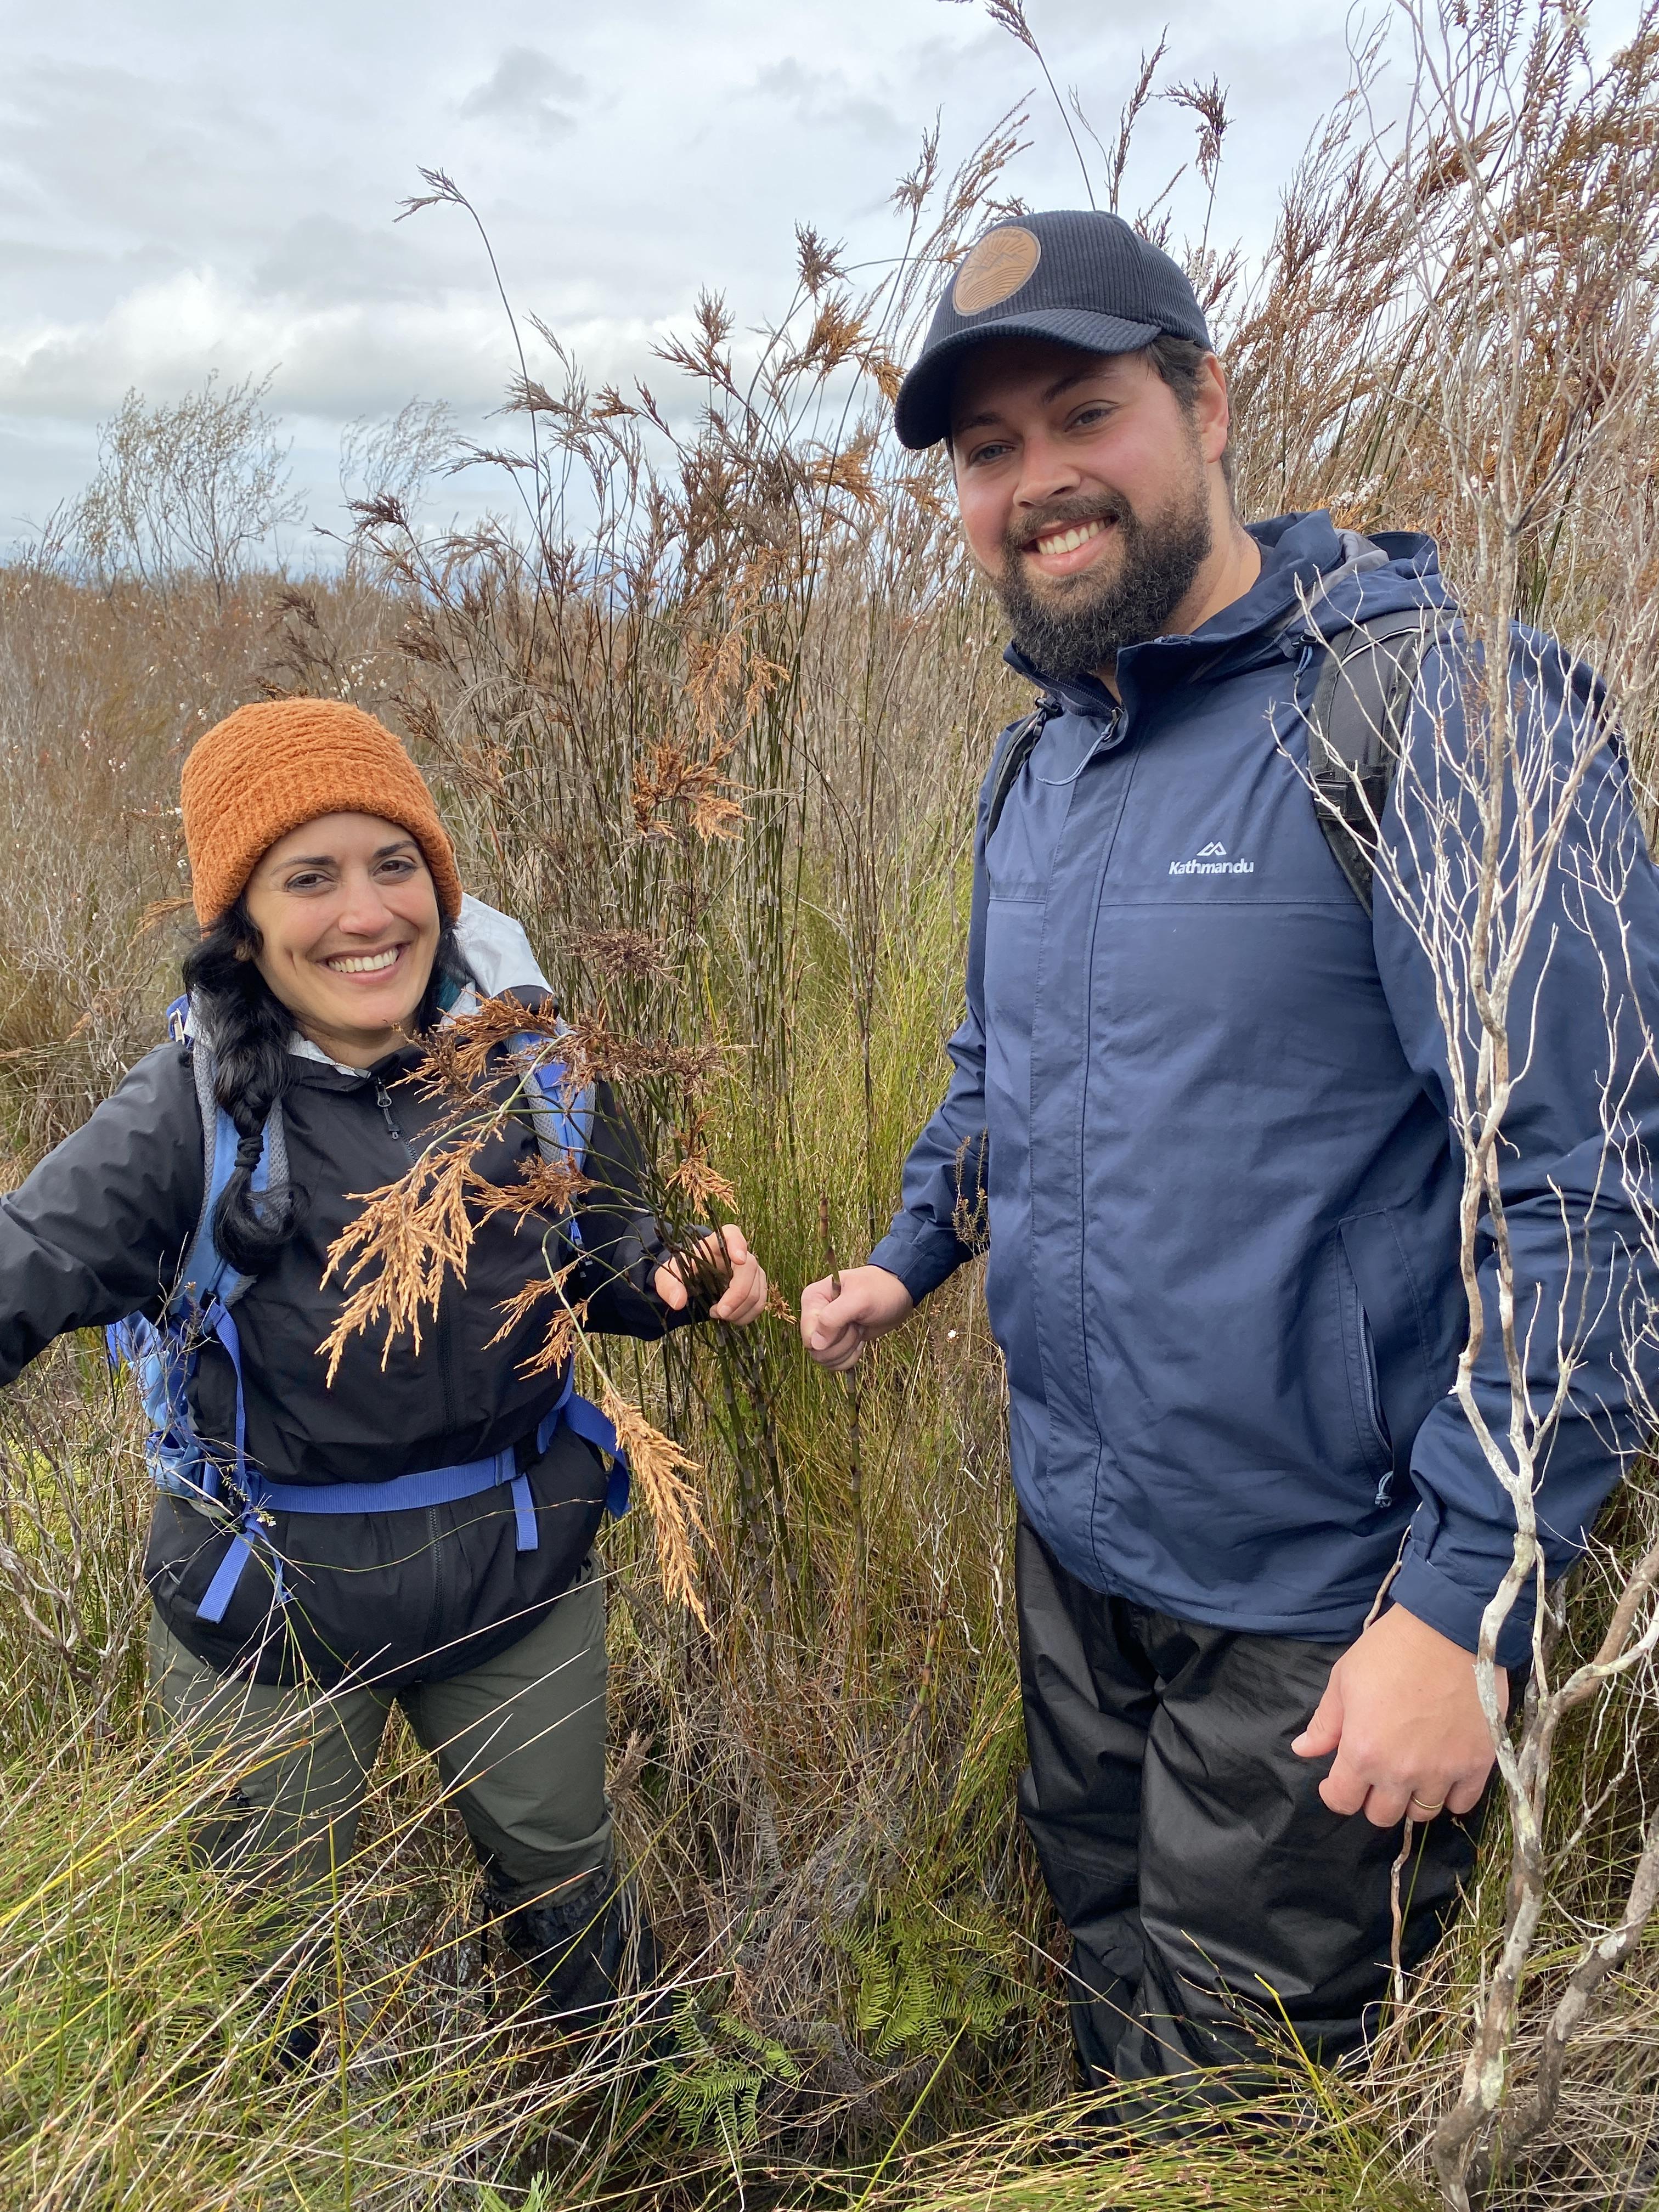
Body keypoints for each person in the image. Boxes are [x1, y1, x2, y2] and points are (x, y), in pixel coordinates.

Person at [799, 209, 1659, 2090]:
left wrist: (1464, 1606)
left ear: (1204, 403)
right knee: (1105, 1975)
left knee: (1238, 2097)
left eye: (1082, 415)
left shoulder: (1442, 717)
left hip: (1320, 1603)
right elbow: (1004, 1070)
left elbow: (1588, 1197)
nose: (1037, 481)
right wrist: (909, 1253)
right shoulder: (1043, 761)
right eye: (988, 449)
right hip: (1078, 1547)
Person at [0, 698, 768, 2047]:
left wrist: (677, 1282)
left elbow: (600, 1264)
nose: (368, 914)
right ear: (243, 923)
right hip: (267, 1611)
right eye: (310, 878)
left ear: (439, 883)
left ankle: (647, 2103)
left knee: (568, 1879)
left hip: (516, 1578)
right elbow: (25, 1267)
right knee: (267, 1958)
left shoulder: (531, 1065)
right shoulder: (182, 1117)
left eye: (395, 865)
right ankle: (286, 2140)